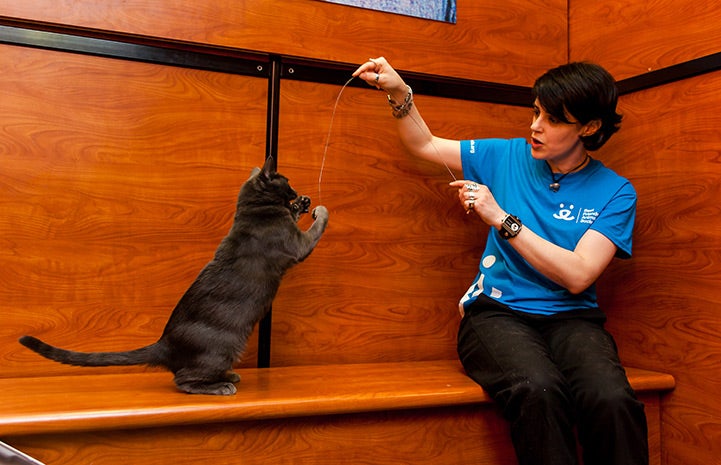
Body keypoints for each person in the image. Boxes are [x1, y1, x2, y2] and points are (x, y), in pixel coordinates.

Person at [353, 57, 648, 465]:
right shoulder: (506, 155)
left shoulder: (616, 192)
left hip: (573, 318)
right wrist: (399, 93)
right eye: (535, 111)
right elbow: (425, 145)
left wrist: (502, 219)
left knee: (612, 398)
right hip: (497, 314)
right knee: (538, 389)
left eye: (553, 119)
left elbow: (579, 275)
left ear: (590, 127)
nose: (535, 126)